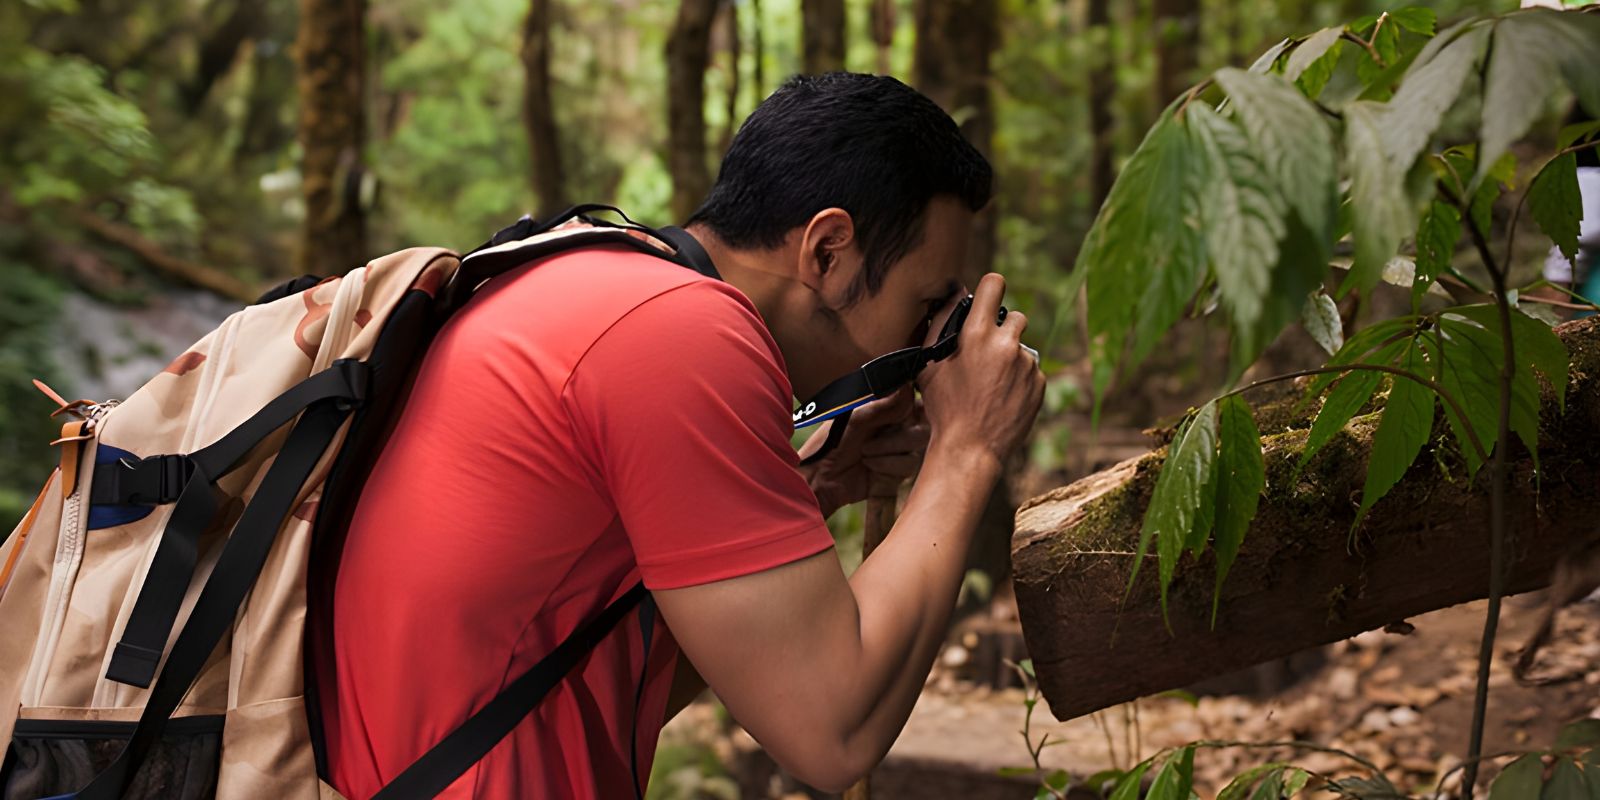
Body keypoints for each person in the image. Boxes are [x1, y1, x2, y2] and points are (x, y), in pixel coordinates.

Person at [314, 72, 1045, 798]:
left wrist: (814, 483)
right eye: (923, 307)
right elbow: (831, 731)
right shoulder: (682, 334)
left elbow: (620, 676)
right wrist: (967, 447)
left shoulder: (598, 275)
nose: (922, 347)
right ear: (827, 251)